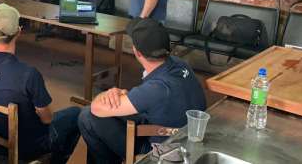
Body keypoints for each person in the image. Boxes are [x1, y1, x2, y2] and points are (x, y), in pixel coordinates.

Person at [78, 18, 206, 163]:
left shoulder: (157, 88)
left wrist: (106, 94)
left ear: (137, 52)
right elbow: (147, 99)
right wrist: (123, 94)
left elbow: (96, 108)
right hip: (183, 137)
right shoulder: (179, 64)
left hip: (164, 149)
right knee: (111, 112)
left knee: (87, 116)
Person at [0, 3, 80, 164]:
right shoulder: (28, 74)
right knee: (76, 114)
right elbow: (47, 119)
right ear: (19, 32)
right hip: (27, 147)